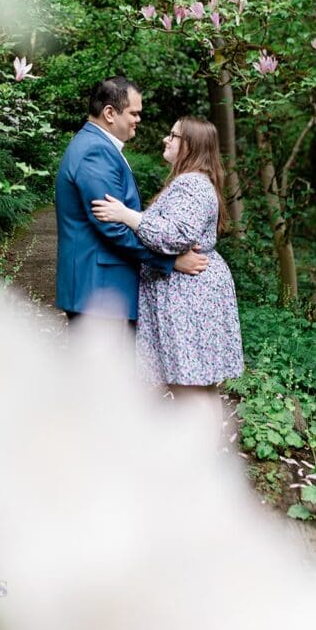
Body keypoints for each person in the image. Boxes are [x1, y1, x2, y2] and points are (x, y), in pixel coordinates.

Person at [91, 117, 244, 420]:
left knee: (188, 385)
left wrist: (127, 216)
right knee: (198, 384)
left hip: (189, 294)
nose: (166, 139)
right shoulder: (196, 181)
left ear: (190, 146)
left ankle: (200, 448)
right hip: (193, 291)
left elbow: (176, 235)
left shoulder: (191, 184)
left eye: (173, 135)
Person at [55, 78, 208, 325]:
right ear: (109, 113)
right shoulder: (95, 151)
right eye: (133, 113)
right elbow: (113, 227)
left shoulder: (98, 145)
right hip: (99, 291)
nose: (138, 119)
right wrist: (170, 261)